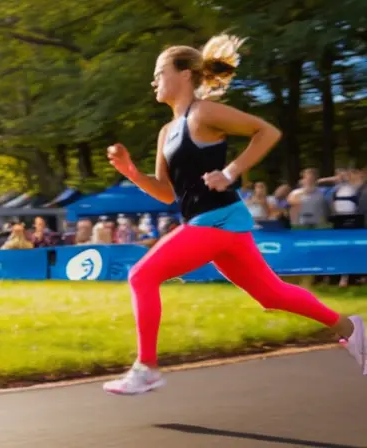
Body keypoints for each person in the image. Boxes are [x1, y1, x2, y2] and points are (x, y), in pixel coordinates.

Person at [103, 33, 365, 395]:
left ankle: (146, 367)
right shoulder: (167, 132)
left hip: (217, 220)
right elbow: (167, 193)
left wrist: (230, 172)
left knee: (141, 276)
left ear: (184, 75)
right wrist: (132, 172)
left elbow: (266, 131)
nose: (154, 80)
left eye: (159, 71)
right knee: (271, 295)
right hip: (215, 223)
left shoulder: (204, 112)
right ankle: (353, 331)